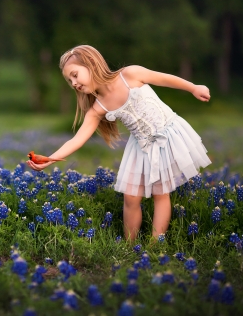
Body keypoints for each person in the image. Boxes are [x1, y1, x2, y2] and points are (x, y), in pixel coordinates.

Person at [26, 45, 212, 241]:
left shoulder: (130, 74)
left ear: (91, 64)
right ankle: (129, 246)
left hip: (167, 135)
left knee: (160, 193)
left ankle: (156, 246)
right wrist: (51, 159)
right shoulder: (98, 108)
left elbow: (165, 79)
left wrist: (193, 87)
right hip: (141, 146)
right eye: (69, 80)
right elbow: (78, 139)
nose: (73, 83)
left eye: (75, 75)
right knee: (130, 197)